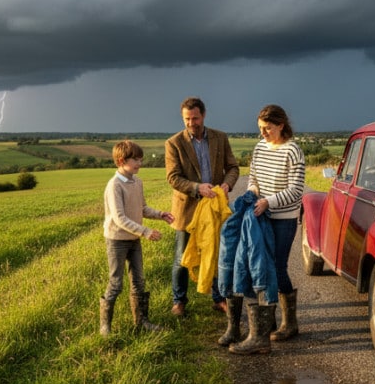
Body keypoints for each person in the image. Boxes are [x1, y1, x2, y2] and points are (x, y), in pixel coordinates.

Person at [165, 97, 240, 317]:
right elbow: (173, 177)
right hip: (187, 209)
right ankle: (179, 301)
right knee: (181, 257)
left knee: (216, 253)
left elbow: (233, 167)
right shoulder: (173, 143)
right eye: (187, 119)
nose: (191, 123)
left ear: (204, 115)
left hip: (214, 208)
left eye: (195, 118)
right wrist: (198, 188)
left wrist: (227, 184)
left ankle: (219, 298)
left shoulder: (220, 137)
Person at [245, 104, 306, 344]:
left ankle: (290, 323)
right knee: (262, 266)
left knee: (278, 267)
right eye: (260, 128)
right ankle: (268, 319)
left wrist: (268, 202)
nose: (263, 133)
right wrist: (252, 192)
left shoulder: (293, 151)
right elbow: (253, 177)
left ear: (281, 125)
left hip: (283, 219)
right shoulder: (260, 147)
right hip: (262, 214)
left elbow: (296, 190)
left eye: (268, 128)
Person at [100, 140, 174, 336]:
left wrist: (160, 214)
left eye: (140, 159)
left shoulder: (137, 182)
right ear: (121, 160)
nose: (139, 163)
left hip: (133, 240)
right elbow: (119, 218)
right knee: (116, 284)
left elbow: (141, 208)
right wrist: (145, 231)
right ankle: (105, 327)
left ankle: (142, 322)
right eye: (135, 160)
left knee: (139, 281)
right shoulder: (114, 185)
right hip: (117, 240)